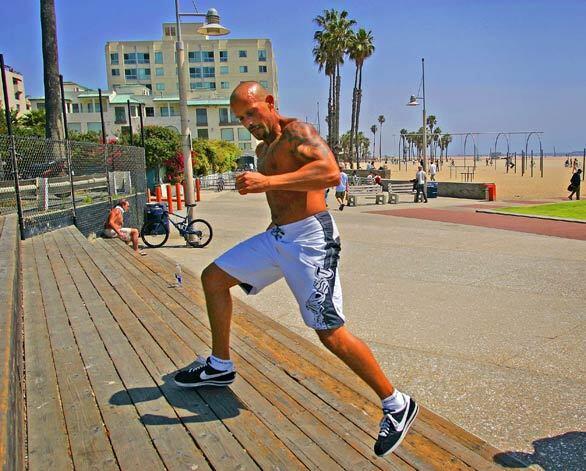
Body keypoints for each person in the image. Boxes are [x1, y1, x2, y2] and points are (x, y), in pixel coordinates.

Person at [173, 81, 418, 457]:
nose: (248, 122)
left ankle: (396, 403)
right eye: (240, 118)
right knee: (214, 278)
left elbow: (330, 172)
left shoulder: (297, 134)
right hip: (277, 237)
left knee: (330, 333)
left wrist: (267, 181)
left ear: (270, 103)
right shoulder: (262, 148)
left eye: (252, 113)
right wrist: (260, 185)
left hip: (311, 240)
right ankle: (220, 364)